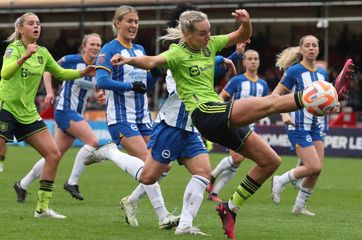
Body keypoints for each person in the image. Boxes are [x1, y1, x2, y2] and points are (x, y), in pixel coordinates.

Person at [109, 9, 329, 239]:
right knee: (269, 104)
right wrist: (129, 59)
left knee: (270, 161)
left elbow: (240, 35)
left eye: (209, 32)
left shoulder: (209, 45)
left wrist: (246, 23)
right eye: (203, 33)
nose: (208, 37)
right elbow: (152, 61)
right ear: (186, 33)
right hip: (203, 114)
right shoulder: (176, 53)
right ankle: (310, 97)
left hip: (204, 120)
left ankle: (229, 208)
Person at [90, 5, 179, 229]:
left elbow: (145, 85)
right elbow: (101, 81)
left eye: (136, 22)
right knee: (148, 164)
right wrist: (129, 85)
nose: (133, 25)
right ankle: (163, 216)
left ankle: (130, 201)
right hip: (120, 117)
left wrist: (154, 75)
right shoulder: (109, 49)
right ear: (117, 23)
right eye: (129, 21)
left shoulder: (139, 49)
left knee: (164, 167)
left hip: (143, 118)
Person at [0, 12, 95, 219]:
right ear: (20, 29)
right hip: (5, 108)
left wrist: (82, 73)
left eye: (38, 23)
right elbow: (5, 73)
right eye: (31, 23)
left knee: (53, 154)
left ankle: (42, 208)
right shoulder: (13, 49)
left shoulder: (42, 52)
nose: (36, 26)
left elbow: (60, 73)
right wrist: (25, 56)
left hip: (28, 113)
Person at [13, 33, 103, 203]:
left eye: (98, 45)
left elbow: (97, 87)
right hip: (65, 111)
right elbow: (47, 70)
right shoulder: (70, 59)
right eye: (92, 44)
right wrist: (49, 92)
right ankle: (72, 182)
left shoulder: (99, 67)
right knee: (93, 142)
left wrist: (99, 94)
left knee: (54, 155)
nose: (96, 48)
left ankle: (22, 184)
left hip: (77, 113)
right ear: (84, 47)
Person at [270, 35, 332, 216]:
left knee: (317, 169)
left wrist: (333, 105)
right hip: (297, 124)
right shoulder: (294, 71)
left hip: (315, 125)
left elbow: (324, 99)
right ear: (302, 49)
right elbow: (276, 94)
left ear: (318, 49)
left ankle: (299, 206)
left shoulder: (323, 73)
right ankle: (280, 180)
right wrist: (283, 114)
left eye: (314, 45)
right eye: (307, 45)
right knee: (313, 166)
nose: (311, 48)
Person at [207, 49, 269, 203]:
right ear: (244, 62)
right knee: (237, 158)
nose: (253, 61)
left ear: (259, 61)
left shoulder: (263, 84)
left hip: (250, 127)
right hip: (234, 123)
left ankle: (214, 191)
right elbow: (222, 97)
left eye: (256, 58)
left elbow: (266, 104)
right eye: (249, 58)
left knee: (237, 162)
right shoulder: (237, 80)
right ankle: (212, 177)